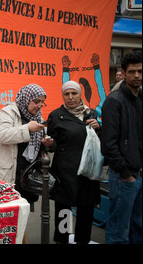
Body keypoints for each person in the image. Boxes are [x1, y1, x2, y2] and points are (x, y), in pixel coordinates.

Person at [47, 81, 101, 244]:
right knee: (64, 209)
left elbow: (98, 140)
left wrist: (98, 127)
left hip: (88, 169)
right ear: (62, 96)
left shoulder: (90, 113)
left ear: (80, 95)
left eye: (74, 93)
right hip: (66, 170)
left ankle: (82, 240)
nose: (70, 97)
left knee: (86, 207)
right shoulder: (56, 115)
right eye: (67, 94)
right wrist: (49, 143)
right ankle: (62, 240)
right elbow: (53, 144)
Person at [101, 50, 142, 244]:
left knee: (138, 227)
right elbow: (108, 145)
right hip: (124, 177)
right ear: (123, 73)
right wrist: (127, 174)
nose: (137, 76)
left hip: (138, 174)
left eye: (140, 71)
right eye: (132, 71)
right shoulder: (114, 101)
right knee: (119, 231)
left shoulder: (140, 98)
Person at [0, 84, 53, 207]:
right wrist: (27, 129)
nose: (39, 105)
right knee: (8, 212)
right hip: (11, 172)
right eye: (36, 101)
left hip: (29, 174)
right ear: (26, 98)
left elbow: (39, 143)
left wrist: (46, 143)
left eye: (42, 102)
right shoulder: (9, 111)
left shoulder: (38, 117)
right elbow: (2, 135)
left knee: (24, 210)